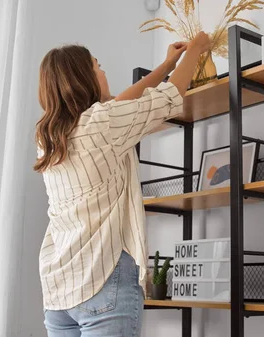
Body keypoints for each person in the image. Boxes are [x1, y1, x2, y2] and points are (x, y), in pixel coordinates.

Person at [34, 31, 211, 337]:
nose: (103, 72)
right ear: (84, 78)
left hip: (58, 290)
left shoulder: (48, 138)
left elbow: (119, 106)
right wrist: (195, 49)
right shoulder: (103, 124)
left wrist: (167, 63)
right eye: (97, 66)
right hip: (103, 280)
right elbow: (170, 97)